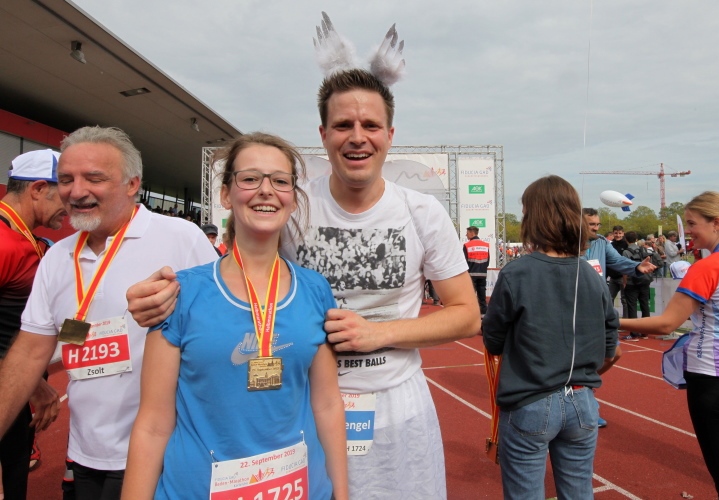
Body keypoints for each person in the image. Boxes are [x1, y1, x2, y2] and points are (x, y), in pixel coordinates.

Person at [127, 68, 480, 499]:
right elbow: (237, 273)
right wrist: (163, 298)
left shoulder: (421, 212)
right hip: (300, 410)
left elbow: (467, 315)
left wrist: (379, 333)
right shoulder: (293, 202)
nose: (357, 137)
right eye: (343, 125)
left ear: (389, 135)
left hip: (396, 408)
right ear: (324, 135)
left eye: (370, 125)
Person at [122, 133, 347, 500]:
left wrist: (342, 493)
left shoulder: (315, 289)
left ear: (292, 199)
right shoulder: (181, 293)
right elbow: (153, 424)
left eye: (280, 181)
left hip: (299, 489)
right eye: (250, 178)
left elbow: (327, 403)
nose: (266, 190)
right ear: (226, 194)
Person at [0, 126, 217, 500]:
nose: (76, 191)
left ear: (132, 184)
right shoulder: (56, 257)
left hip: (166, 453)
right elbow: (29, 352)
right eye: (66, 179)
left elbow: (226, 330)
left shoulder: (181, 238)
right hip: (85, 453)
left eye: (94, 178)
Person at [483, 175, 618, 500]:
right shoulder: (591, 275)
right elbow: (610, 347)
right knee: (579, 491)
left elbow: (493, 341)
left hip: (531, 401)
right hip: (583, 402)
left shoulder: (516, 272)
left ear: (533, 217)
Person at [621, 191, 719, 499]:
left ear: (716, 223)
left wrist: (609, 321)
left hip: (715, 380)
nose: (687, 232)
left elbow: (666, 324)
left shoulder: (706, 267)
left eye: (692, 224)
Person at [0, 149, 66, 500]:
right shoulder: (3, 243)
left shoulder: (30, 241)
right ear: (38, 189)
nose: (70, 205)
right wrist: (31, 384)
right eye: (64, 192)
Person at [582, 209, 655, 425]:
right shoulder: (564, 244)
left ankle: (582, 386)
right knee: (580, 358)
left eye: (598, 224)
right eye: (592, 224)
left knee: (614, 354)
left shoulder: (602, 242)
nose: (596, 228)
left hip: (600, 306)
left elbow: (617, 261)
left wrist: (637, 267)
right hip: (577, 308)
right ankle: (581, 399)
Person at [621, 231, 653, 340]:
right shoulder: (643, 249)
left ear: (626, 239)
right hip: (644, 280)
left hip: (632, 281)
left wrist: (624, 281)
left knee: (632, 306)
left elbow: (625, 268)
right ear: (636, 239)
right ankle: (646, 331)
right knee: (645, 305)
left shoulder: (626, 252)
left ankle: (634, 332)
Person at [463, 226, 490, 315]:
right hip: (482, 274)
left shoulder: (467, 245)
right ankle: (483, 312)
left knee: (470, 296)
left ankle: (470, 313)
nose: (466, 235)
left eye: (467, 233)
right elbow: (488, 260)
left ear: (472, 233)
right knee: (482, 295)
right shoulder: (485, 245)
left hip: (471, 274)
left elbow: (464, 261)